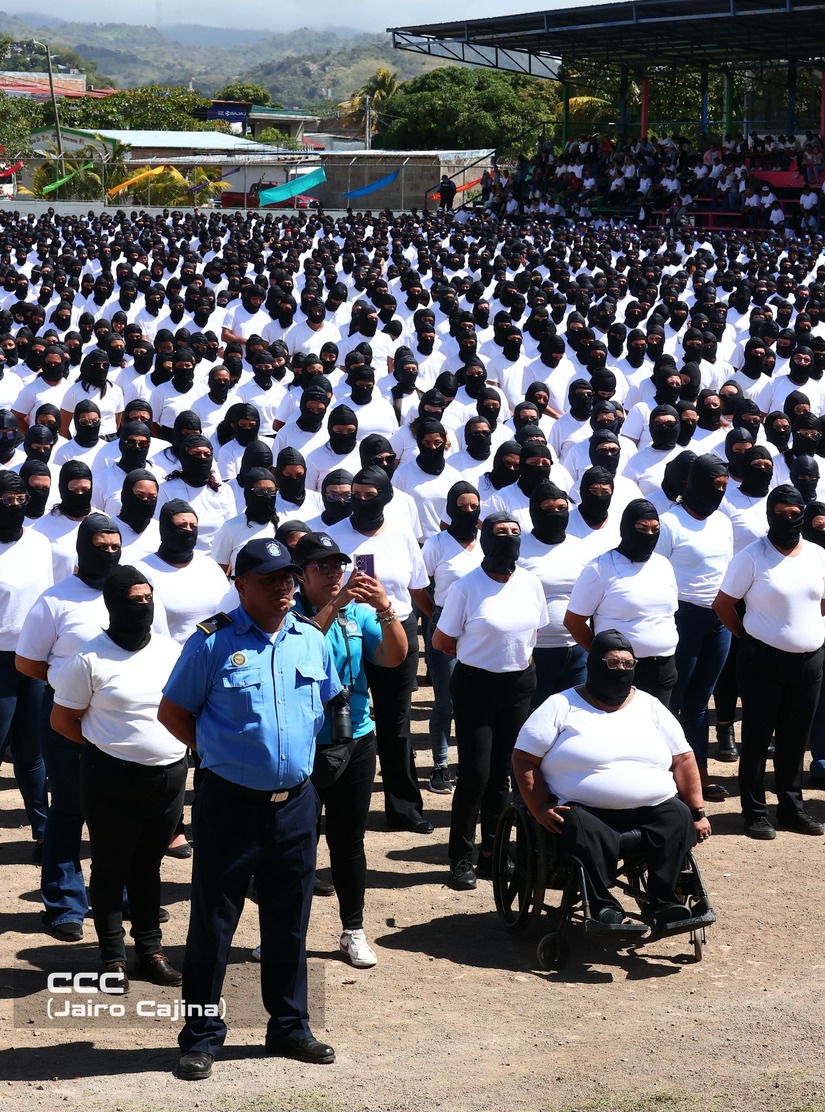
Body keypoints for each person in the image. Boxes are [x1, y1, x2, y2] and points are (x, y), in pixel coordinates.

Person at [158, 537, 341, 1080]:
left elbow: (324, 704)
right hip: (230, 803)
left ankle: (288, 1025)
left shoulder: (310, 637)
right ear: (240, 585)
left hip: (296, 806)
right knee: (214, 923)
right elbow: (173, 712)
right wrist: (218, 754)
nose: (284, 587)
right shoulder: (211, 643)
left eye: (288, 577)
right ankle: (201, 1034)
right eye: (270, 580)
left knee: (290, 921)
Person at [512, 630, 711, 929]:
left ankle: (664, 902)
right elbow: (524, 758)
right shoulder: (560, 706)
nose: (621, 670)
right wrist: (539, 806)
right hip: (585, 810)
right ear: (594, 664)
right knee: (578, 825)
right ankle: (603, 904)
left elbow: (683, 758)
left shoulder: (650, 705)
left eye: (628, 665)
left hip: (650, 808)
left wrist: (697, 811)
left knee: (678, 816)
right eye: (613, 663)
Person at [49, 567, 187, 992]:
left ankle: (150, 950)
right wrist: (109, 745)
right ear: (113, 604)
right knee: (111, 867)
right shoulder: (88, 657)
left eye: (148, 597)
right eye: (133, 599)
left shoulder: (171, 650)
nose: (142, 606)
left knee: (149, 866)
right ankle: (112, 956)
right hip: (111, 776)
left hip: (169, 775)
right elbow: (63, 721)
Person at [291, 531, 406, 967]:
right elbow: (302, 644)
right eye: (321, 566)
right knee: (296, 842)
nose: (333, 573)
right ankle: (288, 932)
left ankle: (352, 930)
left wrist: (384, 607)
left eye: (337, 565)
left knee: (349, 841)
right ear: (300, 575)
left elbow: (394, 657)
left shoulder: (357, 614)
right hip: (304, 743)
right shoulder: (289, 613)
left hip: (356, 737)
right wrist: (333, 607)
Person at [432, 511, 548, 889]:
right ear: (486, 539)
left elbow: (533, 631)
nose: (510, 538)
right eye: (501, 533)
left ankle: (493, 854)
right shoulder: (466, 587)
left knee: (503, 775)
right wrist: (480, 657)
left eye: (516, 533)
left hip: (518, 685)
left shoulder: (531, 582)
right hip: (475, 686)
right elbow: (441, 641)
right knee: (475, 774)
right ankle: (460, 857)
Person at [713, 485, 825, 840]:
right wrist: (748, 637)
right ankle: (755, 811)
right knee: (759, 739)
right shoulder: (750, 556)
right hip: (762, 661)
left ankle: (791, 808)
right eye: (781, 512)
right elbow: (723, 604)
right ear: (769, 514)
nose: (788, 519)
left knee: (795, 740)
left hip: (809, 664)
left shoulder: (818, 554)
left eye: (795, 514)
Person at [565, 499, 680, 706]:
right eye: (641, 528)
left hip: (664, 669)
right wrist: (602, 655)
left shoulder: (663, 565)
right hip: (619, 672)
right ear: (626, 528)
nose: (649, 535)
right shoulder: (600, 568)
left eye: (655, 529)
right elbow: (573, 621)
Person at [421, 481, 484, 792]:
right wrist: (437, 614)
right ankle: (440, 765)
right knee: (446, 700)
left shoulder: (490, 541)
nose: (468, 513)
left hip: (482, 629)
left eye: (474, 507)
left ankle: (470, 761)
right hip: (447, 626)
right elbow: (419, 585)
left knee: (476, 700)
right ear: (449, 510)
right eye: (461, 508)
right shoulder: (436, 544)